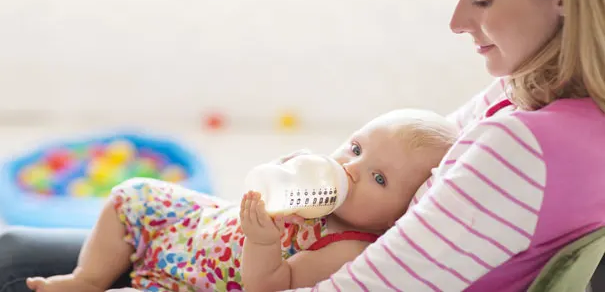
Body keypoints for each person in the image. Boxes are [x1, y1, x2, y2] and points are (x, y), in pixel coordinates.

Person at [2, 0, 605, 290]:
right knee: (38, 240)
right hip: (226, 248)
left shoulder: (524, 148)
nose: (455, 21)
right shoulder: (536, 101)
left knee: (13, 259)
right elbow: (400, 167)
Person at [24, 109, 457, 292]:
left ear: (401, 214)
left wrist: (264, 242)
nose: (352, 170)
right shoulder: (320, 190)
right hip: (198, 228)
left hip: (200, 282)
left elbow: (270, 285)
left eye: (378, 178)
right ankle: (88, 276)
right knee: (131, 194)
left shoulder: (347, 248)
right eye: (356, 148)